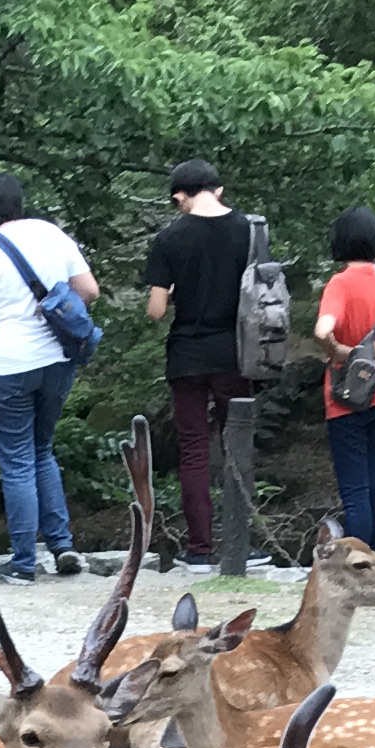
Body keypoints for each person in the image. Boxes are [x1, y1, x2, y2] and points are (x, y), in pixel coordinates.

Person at [0, 172, 99, 580]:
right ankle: (62, 546)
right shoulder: (51, 234)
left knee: (17, 462)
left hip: (9, 368)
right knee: (43, 451)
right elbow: (89, 290)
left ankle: (23, 562)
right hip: (58, 360)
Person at [141, 160, 255, 568]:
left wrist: (172, 293)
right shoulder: (250, 230)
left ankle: (199, 550)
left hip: (187, 354)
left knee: (193, 451)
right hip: (237, 352)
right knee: (237, 446)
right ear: (218, 190)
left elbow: (155, 310)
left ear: (179, 196)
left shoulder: (171, 237)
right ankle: (241, 545)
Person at [312, 206, 375, 551]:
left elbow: (322, 329)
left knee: (355, 493)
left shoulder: (341, 283)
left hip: (349, 398)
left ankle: (358, 565)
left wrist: (340, 350)